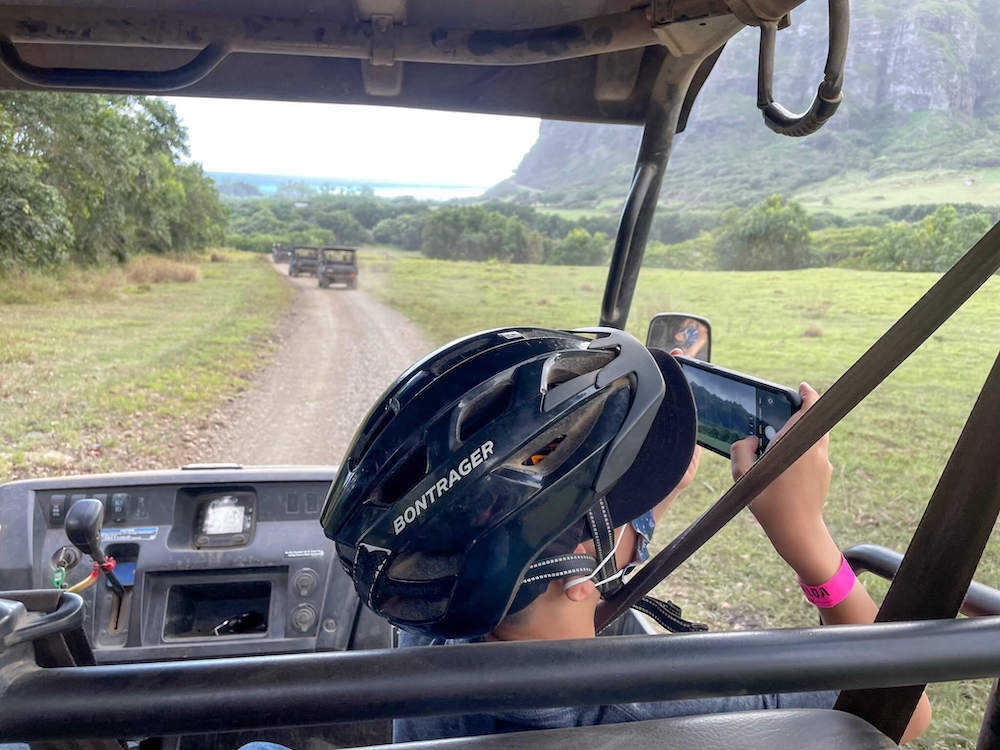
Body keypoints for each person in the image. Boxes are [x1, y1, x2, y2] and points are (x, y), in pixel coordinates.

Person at [319, 327, 931, 745]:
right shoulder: (643, 711)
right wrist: (808, 542)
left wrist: (633, 502)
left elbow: (549, 541)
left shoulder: (433, 612)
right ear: (581, 573)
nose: (648, 521)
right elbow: (903, 716)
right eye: (634, 514)